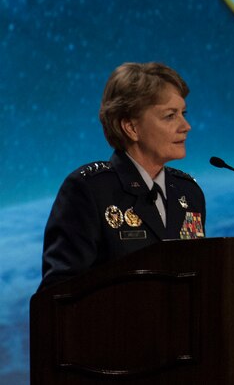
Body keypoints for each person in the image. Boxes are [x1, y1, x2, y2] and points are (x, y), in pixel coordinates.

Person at [39, 62, 205, 289]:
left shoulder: (189, 192)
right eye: (170, 115)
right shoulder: (89, 190)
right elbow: (59, 293)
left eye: (183, 113)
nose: (186, 126)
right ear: (131, 127)